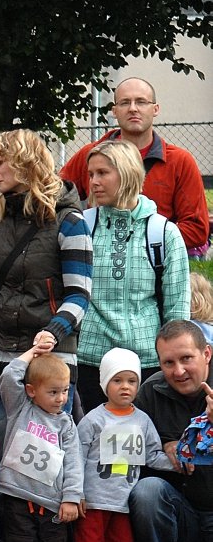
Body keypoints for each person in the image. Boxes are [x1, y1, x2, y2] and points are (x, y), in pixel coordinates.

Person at [0, 128, 93, 435]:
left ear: (25, 163)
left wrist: (54, 331)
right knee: (0, 451)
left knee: (44, 455)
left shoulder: (70, 222)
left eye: (0, 162)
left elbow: (79, 295)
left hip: (48, 366)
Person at [74, 140, 190, 412]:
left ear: (127, 173)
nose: (93, 182)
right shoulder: (81, 225)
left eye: (103, 173)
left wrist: (173, 362)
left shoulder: (163, 232)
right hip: (89, 361)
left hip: (146, 364)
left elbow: (177, 308)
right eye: (91, 174)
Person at [60, 77, 210, 258]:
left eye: (141, 102)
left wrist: (141, 241)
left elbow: (197, 229)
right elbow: (53, 200)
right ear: (114, 111)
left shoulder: (179, 161)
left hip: (155, 262)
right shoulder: (90, 155)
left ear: (155, 109)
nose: (133, 108)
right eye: (125, 103)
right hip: (98, 260)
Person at [75, 347, 173, 542]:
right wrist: (75, 492)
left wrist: (178, 462)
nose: (125, 387)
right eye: (117, 380)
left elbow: (153, 454)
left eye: (132, 381)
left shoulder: (142, 420)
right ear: (105, 383)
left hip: (125, 501)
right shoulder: (93, 420)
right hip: (94, 500)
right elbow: (77, 457)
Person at [127, 320, 213, 542]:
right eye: (168, 363)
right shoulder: (149, 393)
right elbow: (128, 458)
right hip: (181, 513)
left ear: (207, 354)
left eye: (186, 358)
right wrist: (163, 445)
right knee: (146, 491)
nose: (178, 371)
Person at [0, 340, 84, 542]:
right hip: (17, 496)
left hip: (51, 502)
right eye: (53, 392)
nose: (60, 398)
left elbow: (74, 462)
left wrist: (71, 497)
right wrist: (33, 353)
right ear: (31, 391)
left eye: (65, 391)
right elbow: (9, 376)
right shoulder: (20, 408)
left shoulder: (66, 424)